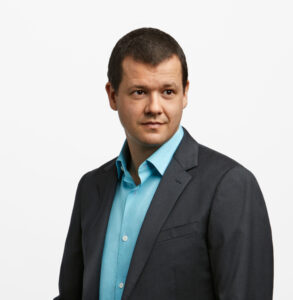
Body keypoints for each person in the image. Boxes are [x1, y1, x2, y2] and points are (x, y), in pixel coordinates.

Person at [53, 27, 273, 300]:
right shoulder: (91, 187)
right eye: (139, 92)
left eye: (168, 91)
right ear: (112, 96)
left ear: (185, 94)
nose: (154, 107)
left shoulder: (229, 185)